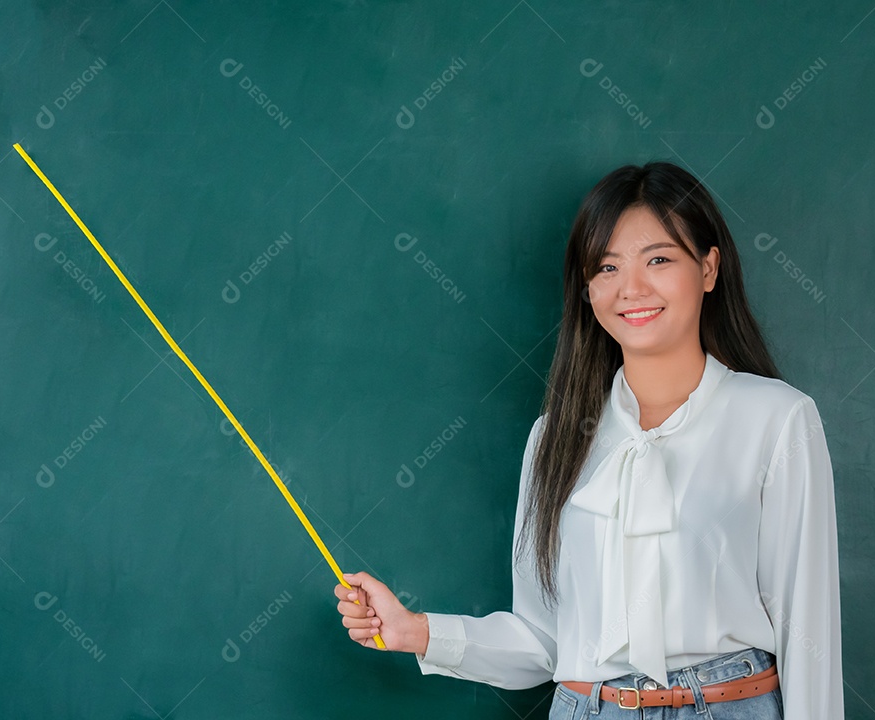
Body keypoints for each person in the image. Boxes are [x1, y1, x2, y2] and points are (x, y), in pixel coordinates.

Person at [334, 161, 844, 719]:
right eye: (607, 267)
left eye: (658, 259)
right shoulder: (555, 437)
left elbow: (807, 630)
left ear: (708, 267)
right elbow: (544, 642)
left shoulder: (777, 417)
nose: (632, 288)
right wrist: (416, 632)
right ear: (587, 289)